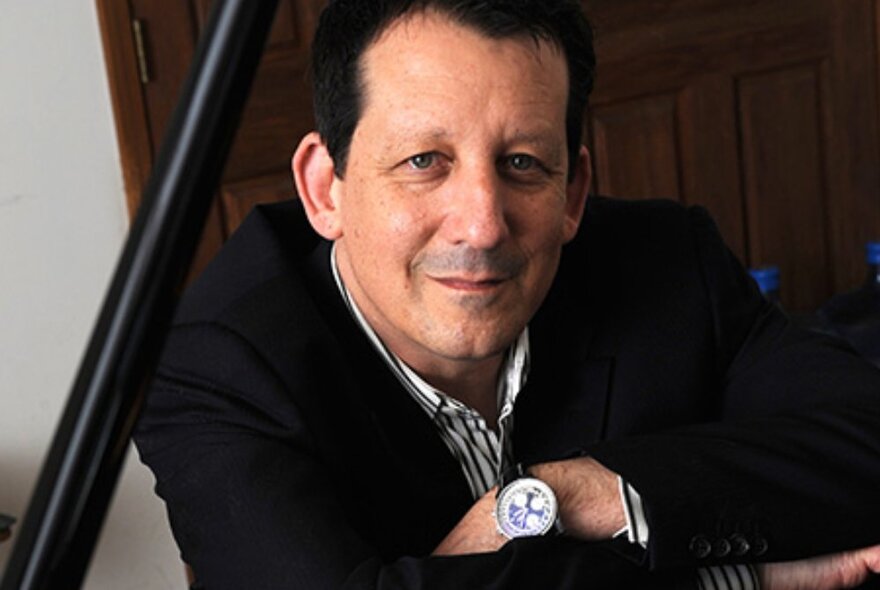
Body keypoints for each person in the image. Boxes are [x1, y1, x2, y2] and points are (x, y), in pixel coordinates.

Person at [133, 1, 880, 588]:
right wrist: (734, 579)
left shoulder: (667, 260)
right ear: (324, 189)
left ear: (574, 191)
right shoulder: (215, 368)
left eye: (522, 163)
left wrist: (581, 493)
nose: (483, 224)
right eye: (425, 161)